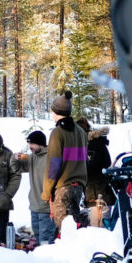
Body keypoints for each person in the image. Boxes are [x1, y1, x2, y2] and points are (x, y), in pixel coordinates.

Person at [41, 90, 89, 236]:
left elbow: (54, 165)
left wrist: (46, 192)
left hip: (63, 188)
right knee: (75, 228)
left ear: (56, 112)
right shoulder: (81, 131)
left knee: (65, 231)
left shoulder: (57, 133)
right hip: (79, 187)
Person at [78, 117, 114, 227]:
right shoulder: (93, 144)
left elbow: (92, 168)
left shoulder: (92, 145)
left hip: (98, 194)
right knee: (98, 226)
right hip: (97, 193)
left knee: (98, 227)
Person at [25, 130, 56, 244]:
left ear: (40, 144)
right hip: (34, 206)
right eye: (29, 144)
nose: (30, 147)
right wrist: (15, 159)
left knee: (46, 240)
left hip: (47, 207)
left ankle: (47, 260)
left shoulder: (51, 157)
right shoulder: (32, 157)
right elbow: (17, 168)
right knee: (38, 238)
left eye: (32, 144)